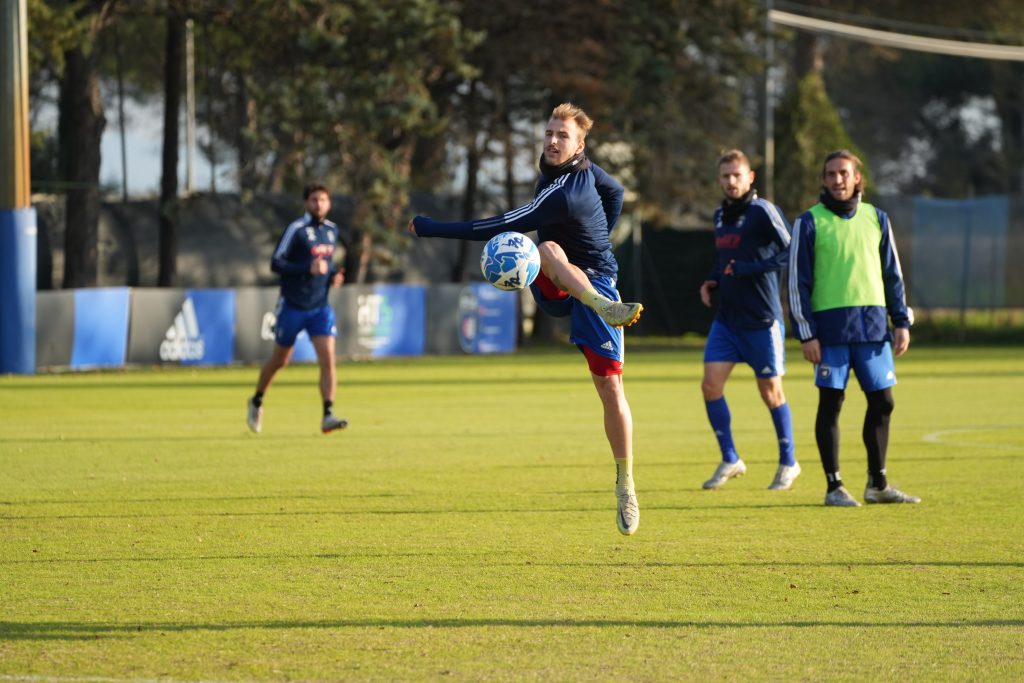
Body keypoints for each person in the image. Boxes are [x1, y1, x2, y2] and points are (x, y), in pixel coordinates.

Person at [407, 102, 644, 535]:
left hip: (598, 282)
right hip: (557, 286)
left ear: (580, 144)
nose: (553, 141)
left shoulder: (565, 192)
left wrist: (429, 226)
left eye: (562, 136)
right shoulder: (569, 173)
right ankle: (595, 304)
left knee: (611, 388)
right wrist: (600, 231)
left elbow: (491, 225)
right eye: (549, 133)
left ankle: (625, 482)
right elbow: (617, 194)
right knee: (547, 251)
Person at [788, 150, 920, 507]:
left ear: (857, 178)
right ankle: (834, 487)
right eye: (830, 174)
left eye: (844, 173)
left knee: (883, 402)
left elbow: (893, 276)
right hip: (829, 332)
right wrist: (806, 333)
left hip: (874, 329)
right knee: (831, 403)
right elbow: (796, 282)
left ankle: (877, 484)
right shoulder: (808, 222)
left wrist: (901, 322)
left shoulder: (877, 218)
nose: (837, 180)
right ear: (823, 179)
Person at [698, 149, 800, 491]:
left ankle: (789, 463)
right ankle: (730, 458)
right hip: (728, 320)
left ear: (750, 177)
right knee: (710, 386)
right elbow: (724, 258)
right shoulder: (719, 215)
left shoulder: (762, 211)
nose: (730, 181)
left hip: (761, 319)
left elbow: (791, 250)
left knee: (771, 392)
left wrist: (749, 270)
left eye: (736, 175)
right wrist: (712, 279)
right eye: (725, 176)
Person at [247, 183, 348, 435]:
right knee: (281, 360)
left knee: (328, 360)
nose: (319, 204)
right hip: (292, 306)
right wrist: (306, 268)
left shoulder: (332, 231)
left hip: (320, 308)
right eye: (314, 200)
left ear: (329, 203)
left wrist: (333, 276)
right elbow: (276, 263)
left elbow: (325, 265)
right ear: (306, 203)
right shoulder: (296, 230)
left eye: (323, 200)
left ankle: (327, 414)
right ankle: (256, 400)